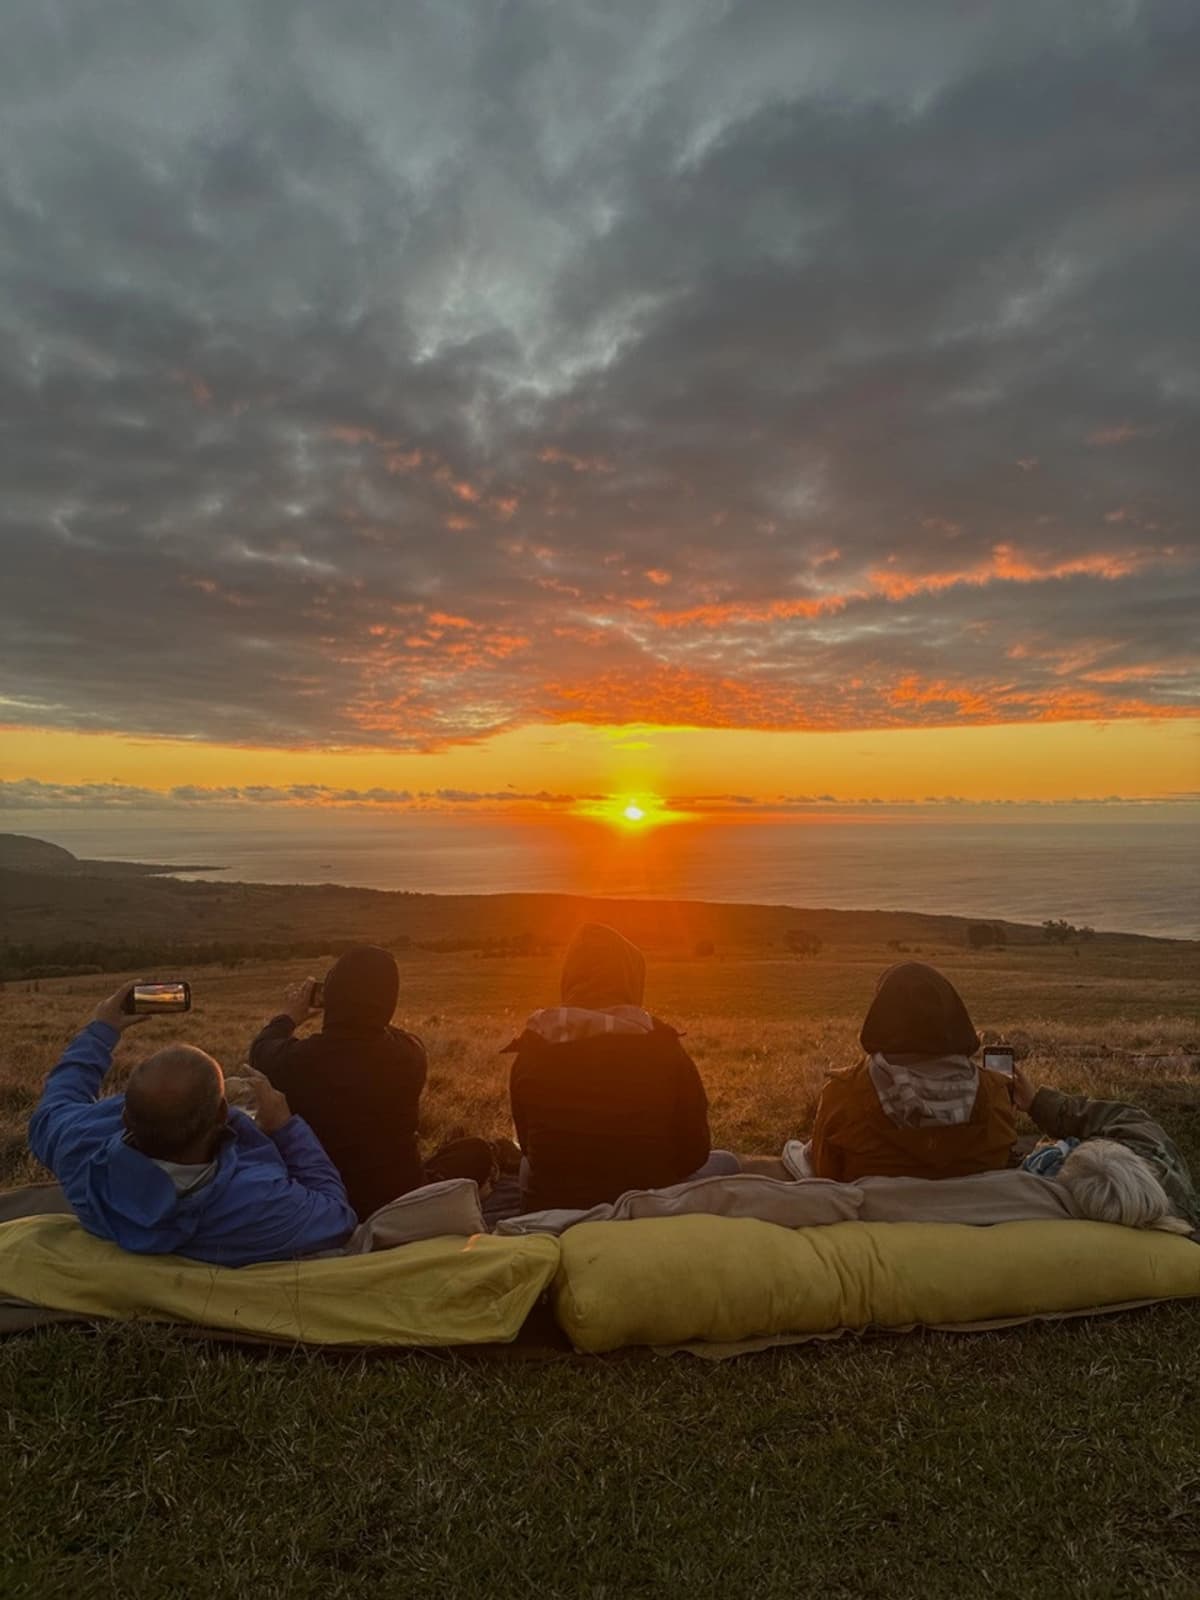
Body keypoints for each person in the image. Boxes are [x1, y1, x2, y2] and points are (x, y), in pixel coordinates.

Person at [27, 981, 357, 1266]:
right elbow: (337, 1216)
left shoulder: (78, 1150)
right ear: (222, 1116)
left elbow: (54, 1106)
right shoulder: (258, 1203)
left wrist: (102, 1030)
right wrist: (286, 1130)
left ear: (125, 1116)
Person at [505, 922, 738, 1211]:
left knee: (526, 1166)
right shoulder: (664, 1047)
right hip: (648, 1203)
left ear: (569, 978)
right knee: (727, 1162)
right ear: (631, 979)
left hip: (554, 1207)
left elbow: (527, 1145)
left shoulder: (533, 1048)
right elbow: (696, 1151)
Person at [248, 946, 435, 1222]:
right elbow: (380, 1028)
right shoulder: (411, 1055)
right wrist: (366, 1011)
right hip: (397, 1201)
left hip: (322, 1201)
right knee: (474, 1151)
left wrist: (289, 1015)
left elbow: (261, 1050)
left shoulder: (297, 1062)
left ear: (333, 997)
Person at [809, 962, 1016, 1182]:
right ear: (954, 1014)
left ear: (880, 1016)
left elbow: (825, 1176)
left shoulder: (841, 1094)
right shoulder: (997, 1093)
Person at [1013, 1065, 1197, 1234]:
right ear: (1140, 1165)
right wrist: (1036, 1103)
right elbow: (1123, 1117)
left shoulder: (1056, 1225)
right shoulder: (1149, 1146)